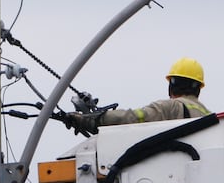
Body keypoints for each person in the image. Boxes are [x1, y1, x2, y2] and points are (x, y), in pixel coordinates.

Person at [61, 57, 211, 136]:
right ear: (198, 87)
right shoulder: (209, 117)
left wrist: (93, 119)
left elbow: (134, 117)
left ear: (171, 84)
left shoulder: (171, 107)